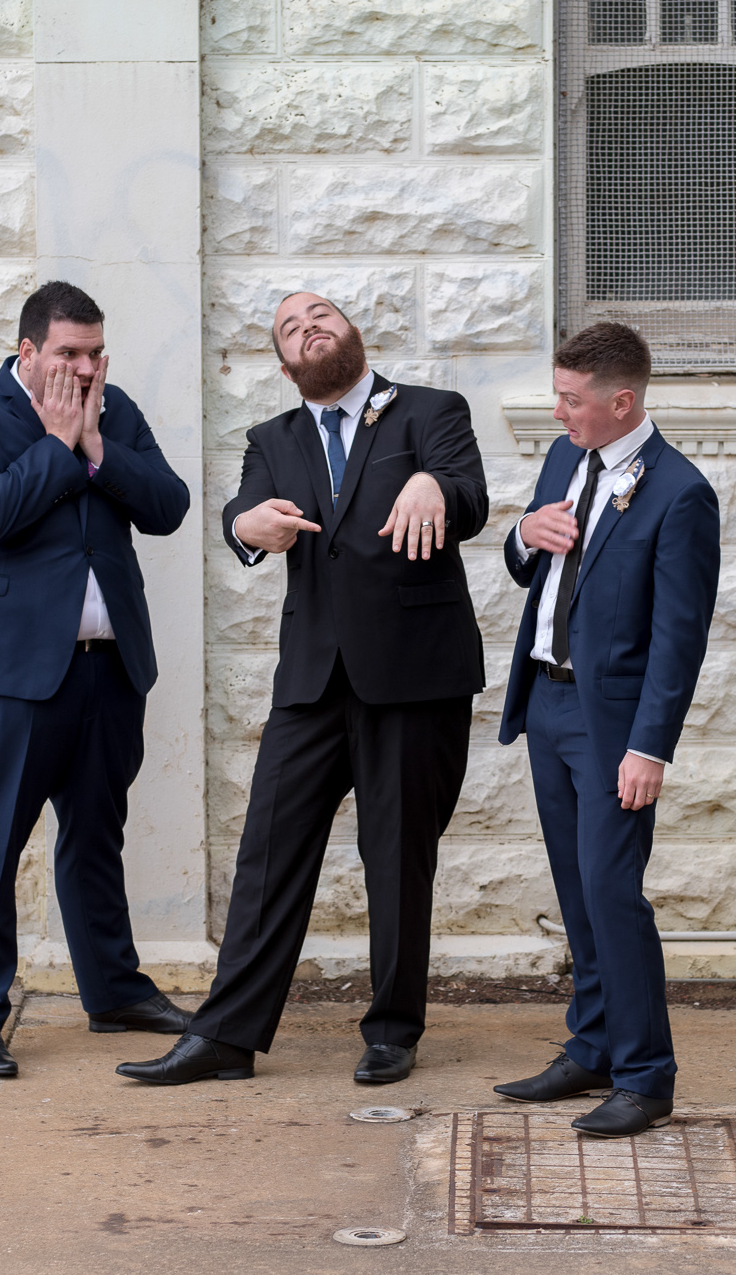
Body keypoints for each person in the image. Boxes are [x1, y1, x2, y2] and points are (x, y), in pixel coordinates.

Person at [118, 292, 489, 1088]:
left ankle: (392, 1029)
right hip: (313, 677)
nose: (309, 325)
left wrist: (432, 485)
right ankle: (225, 1036)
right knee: (268, 850)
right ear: (286, 365)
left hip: (413, 675)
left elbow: (470, 494)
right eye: (291, 326)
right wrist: (242, 531)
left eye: (321, 314)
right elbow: (240, 513)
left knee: (396, 858)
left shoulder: (430, 412)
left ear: (351, 333)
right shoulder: (272, 438)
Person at [0, 280, 196, 1078]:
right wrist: (55, 443)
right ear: (28, 352)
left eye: (94, 352)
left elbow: (169, 505)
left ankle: (113, 990)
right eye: (68, 353)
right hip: (9, 674)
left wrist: (96, 447)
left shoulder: (114, 413)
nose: (85, 368)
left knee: (94, 835)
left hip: (108, 666)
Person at [489, 323, 720, 1139]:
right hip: (549, 706)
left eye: (571, 399)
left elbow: (678, 639)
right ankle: (590, 1045)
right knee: (576, 889)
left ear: (622, 402)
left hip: (614, 727)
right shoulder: (565, 459)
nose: (558, 412)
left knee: (613, 891)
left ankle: (646, 1074)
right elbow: (528, 565)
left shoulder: (680, 494)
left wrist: (649, 746)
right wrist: (524, 534)